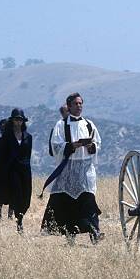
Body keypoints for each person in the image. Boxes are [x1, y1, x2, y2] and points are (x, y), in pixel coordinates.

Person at [45, 93, 104, 244]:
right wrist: (71, 146)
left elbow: (98, 143)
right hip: (68, 171)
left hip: (85, 171)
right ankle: (70, 236)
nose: (79, 106)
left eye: (80, 103)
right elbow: (56, 146)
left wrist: (91, 146)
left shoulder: (89, 124)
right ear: (69, 106)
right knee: (67, 205)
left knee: (88, 202)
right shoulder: (61, 125)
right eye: (76, 104)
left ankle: (94, 232)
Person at [0, 108, 32, 232]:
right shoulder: (6, 137)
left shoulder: (29, 137)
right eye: (16, 119)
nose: (18, 122)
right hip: (12, 171)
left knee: (26, 199)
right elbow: (3, 155)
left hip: (25, 171)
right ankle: (19, 221)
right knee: (17, 196)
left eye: (20, 120)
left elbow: (28, 155)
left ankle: (21, 216)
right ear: (12, 121)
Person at [41, 105, 69, 234]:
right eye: (66, 111)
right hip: (63, 167)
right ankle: (49, 226)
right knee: (57, 197)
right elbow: (52, 151)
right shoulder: (57, 129)